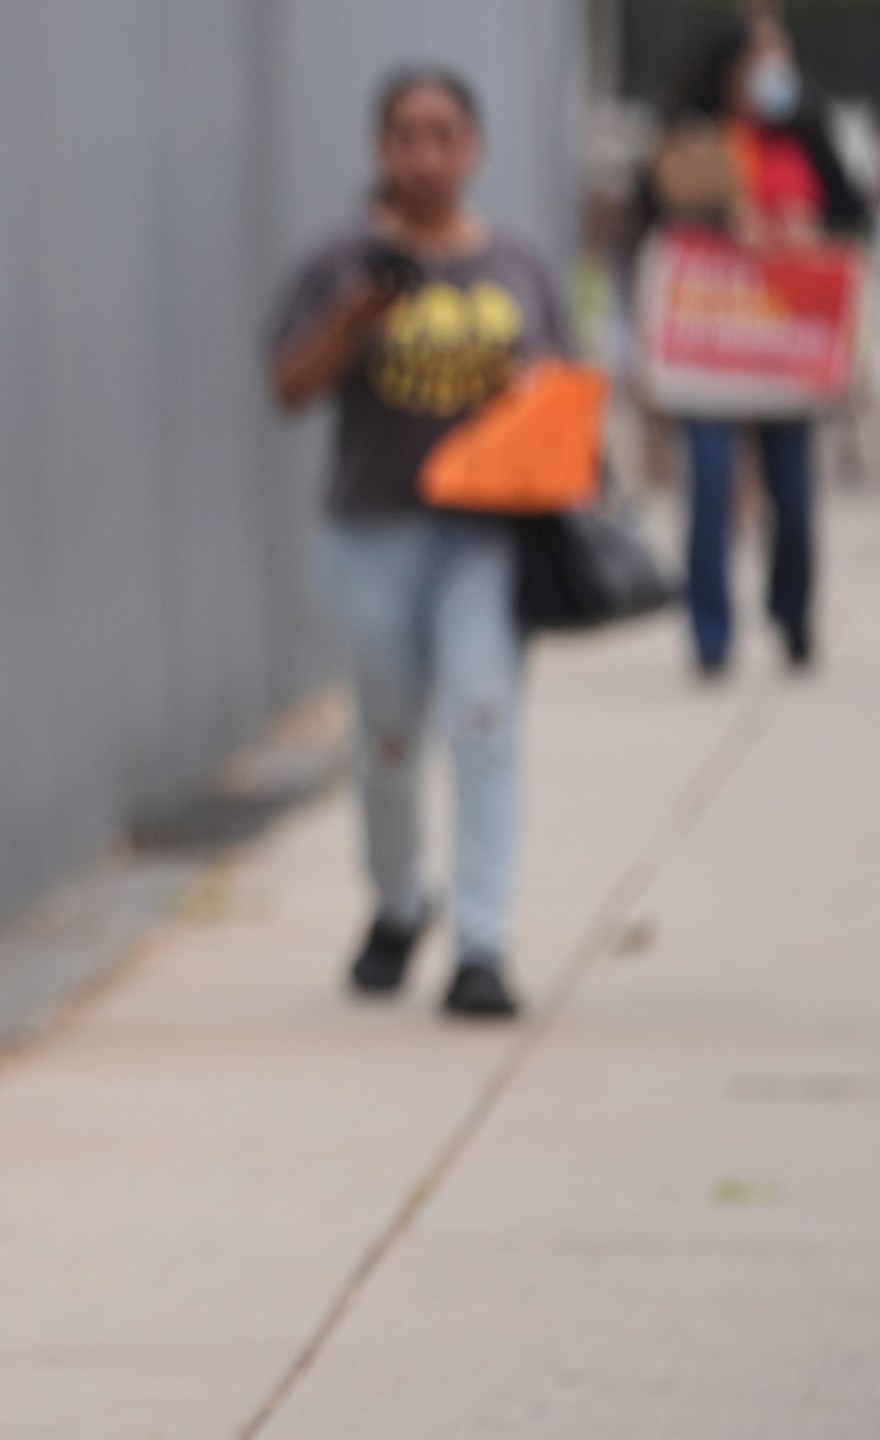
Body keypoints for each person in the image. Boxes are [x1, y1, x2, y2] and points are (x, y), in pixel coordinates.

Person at [266, 67, 571, 1020]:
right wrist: (355, 318)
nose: (426, 155)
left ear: (474, 148)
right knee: (392, 740)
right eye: (407, 136)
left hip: (485, 537)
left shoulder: (515, 267)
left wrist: (532, 393)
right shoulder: (339, 265)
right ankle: (400, 902)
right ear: (380, 149)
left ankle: (483, 942)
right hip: (373, 532)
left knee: (484, 724)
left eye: (445, 135)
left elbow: (563, 390)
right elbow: (288, 387)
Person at [640, 13, 870, 676]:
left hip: (785, 353)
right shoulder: (690, 135)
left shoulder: (809, 133)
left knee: (793, 497)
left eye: (782, 55)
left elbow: (850, 214)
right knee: (710, 489)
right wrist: (720, 221)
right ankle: (710, 633)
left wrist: (809, 228)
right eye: (761, 56)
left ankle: (792, 616)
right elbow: (653, 217)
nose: (775, 70)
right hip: (713, 349)